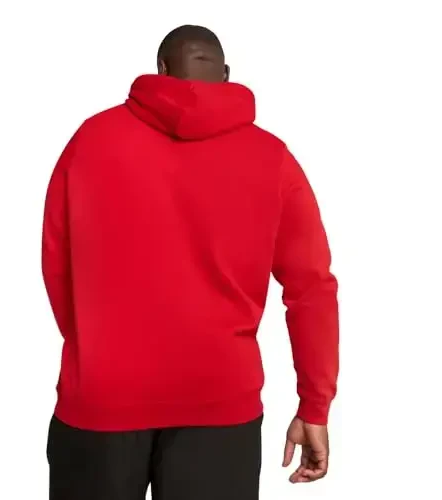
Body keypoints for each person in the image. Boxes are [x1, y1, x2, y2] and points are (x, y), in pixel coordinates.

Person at [42, 24, 339, 500]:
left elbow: (57, 262)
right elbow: (312, 289)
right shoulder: (273, 159)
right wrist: (314, 405)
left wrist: (97, 346)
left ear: (160, 70)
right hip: (221, 401)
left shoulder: (91, 141)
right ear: (226, 75)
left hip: (102, 396)